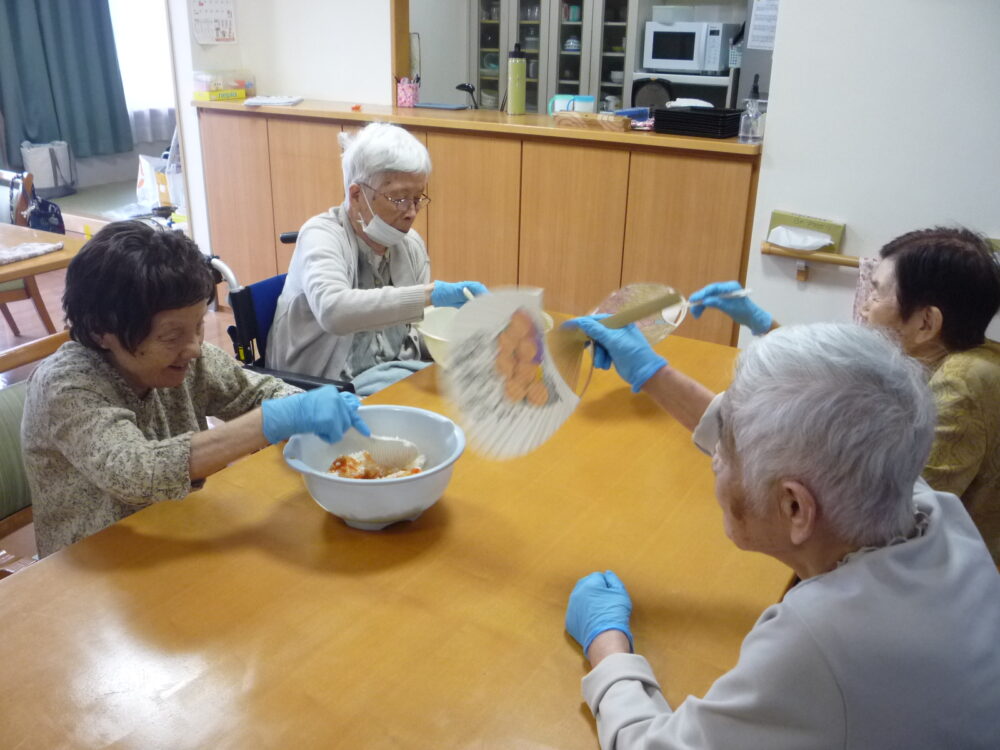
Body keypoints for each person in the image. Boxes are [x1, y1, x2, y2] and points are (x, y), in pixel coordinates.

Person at [563, 323, 1000, 749]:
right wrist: (653, 373)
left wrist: (608, 647)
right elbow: (800, 443)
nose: (715, 460)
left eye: (726, 454)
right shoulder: (928, 505)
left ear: (794, 508)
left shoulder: (817, 645)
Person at [22, 221, 369, 558]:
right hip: (94, 568)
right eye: (171, 336)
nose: (194, 348)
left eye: (199, 325)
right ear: (102, 332)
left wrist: (307, 405)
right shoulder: (66, 384)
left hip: (184, 534)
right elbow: (134, 471)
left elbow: (254, 392)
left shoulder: (186, 359)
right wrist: (271, 421)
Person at [687, 227, 1000, 559]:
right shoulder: (955, 357)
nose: (865, 306)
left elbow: (882, 519)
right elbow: (834, 386)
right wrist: (767, 328)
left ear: (926, 322)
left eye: (877, 293)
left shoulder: (962, 385)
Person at [266, 121, 487, 395]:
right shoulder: (321, 235)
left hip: (387, 380)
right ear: (357, 195)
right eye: (399, 198)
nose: (411, 212)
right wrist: (430, 295)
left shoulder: (410, 245)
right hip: (321, 391)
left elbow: (415, 335)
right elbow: (334, 311)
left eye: (418, 198)